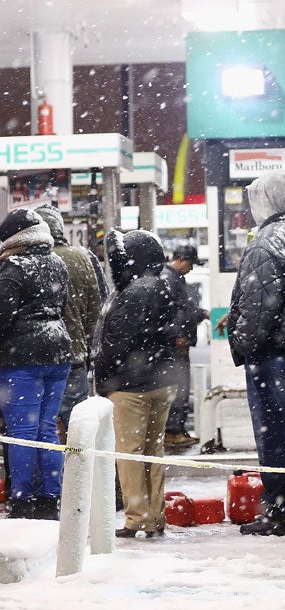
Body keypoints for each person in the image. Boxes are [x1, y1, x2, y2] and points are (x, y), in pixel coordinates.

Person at [226, 168, 285, 537]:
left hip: (272, 355)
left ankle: (278, 511)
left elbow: (257, 308)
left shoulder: (264, 242)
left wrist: (241, 343)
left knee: (275, 434)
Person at [93, 229, 178, 538]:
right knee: (153, 450)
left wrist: (101, 377)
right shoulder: (163, 286)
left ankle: (136, 517)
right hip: (162, 382)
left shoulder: (131, 294)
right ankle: (156, 516)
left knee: (129, 452)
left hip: (131, 385)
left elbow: (115, 345)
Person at [0, 208, 73, 520]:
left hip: (22, 358)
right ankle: (49, 499)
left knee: (22, 431)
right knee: (46, 428)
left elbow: (2, 317)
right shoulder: (57, 261)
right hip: (58, 352)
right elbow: (63, 306)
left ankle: (22, 501)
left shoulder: (13, 267)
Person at [34, 204, 104, 445]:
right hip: (74, 358)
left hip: (33, 361)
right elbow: (95, 310)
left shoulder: (26, 260)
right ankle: (81, 479)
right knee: (80, 430)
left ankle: (47, 479)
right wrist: (87, 349)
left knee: (40, 428)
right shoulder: (81, 257)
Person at [161, 244, 209, 449]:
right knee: (178, 389)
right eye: (190, 263)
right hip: (175, 346)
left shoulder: (174, 278)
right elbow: (169, 312)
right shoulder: (168, 278)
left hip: (180, 344)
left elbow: (185, 310)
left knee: (181, 388)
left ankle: (177, 429)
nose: (191, 268)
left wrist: (202, 313)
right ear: (180, 259)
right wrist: (177, 334)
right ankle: (173, 431)